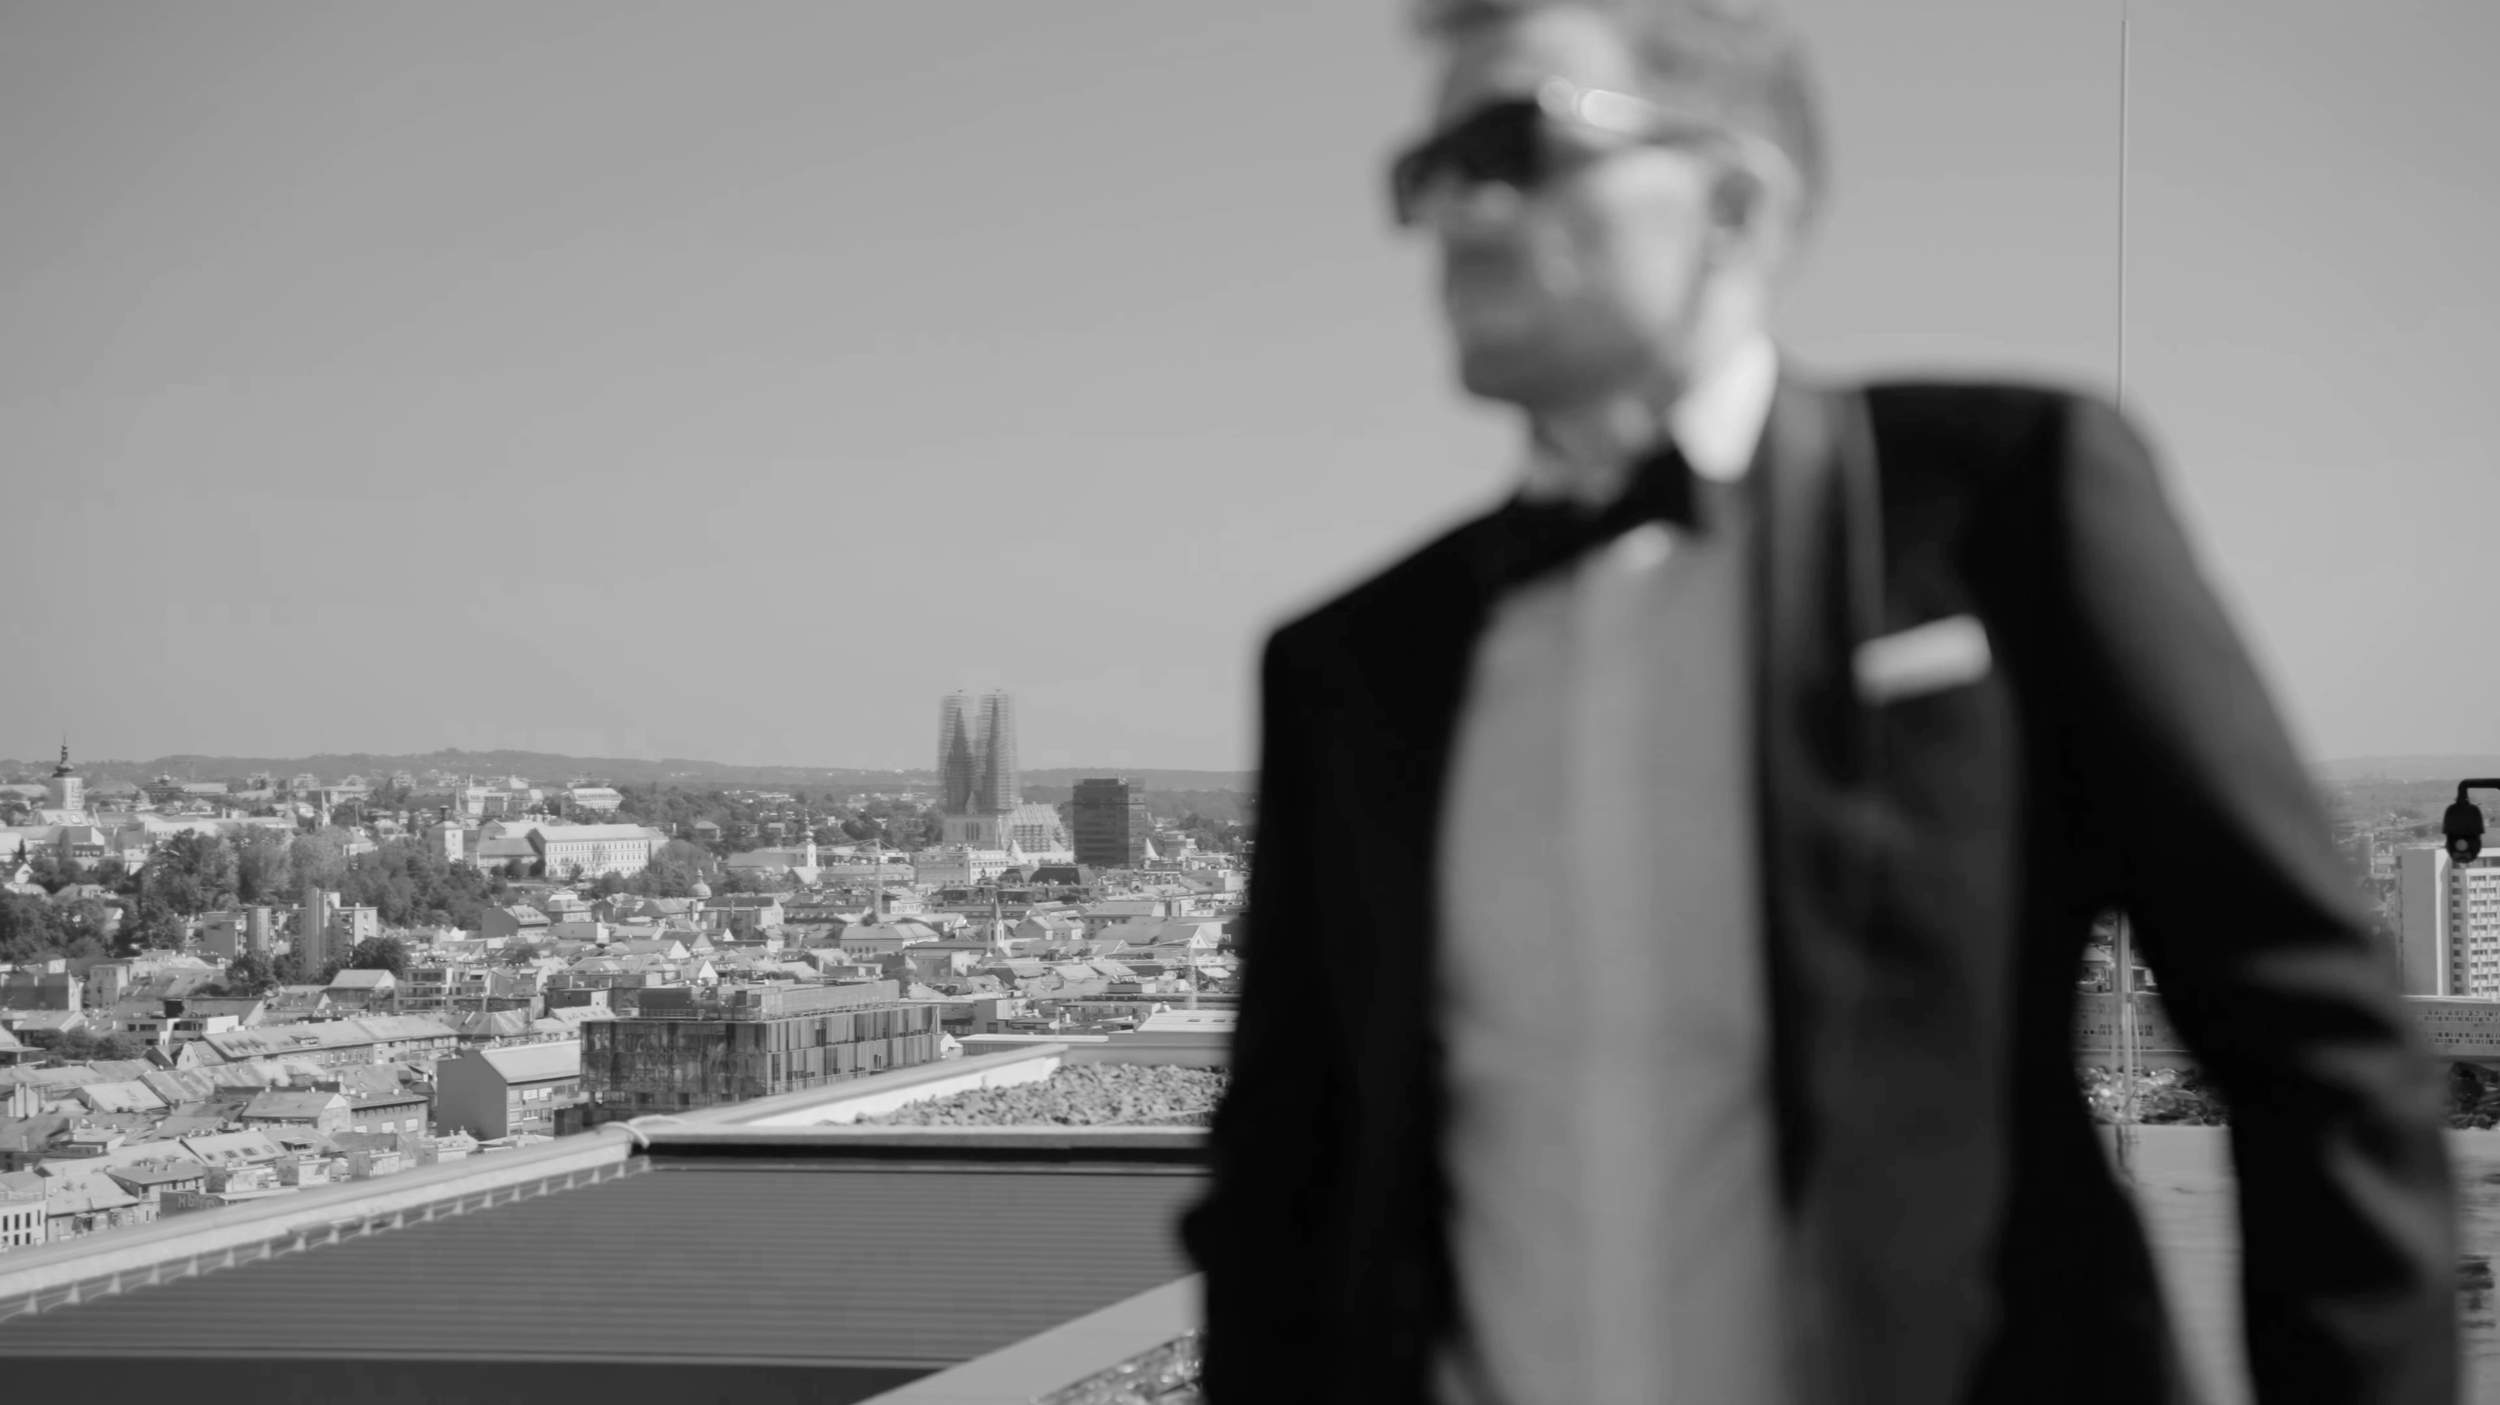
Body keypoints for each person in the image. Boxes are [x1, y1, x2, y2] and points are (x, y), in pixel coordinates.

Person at [1178, 2, 2458, 1403]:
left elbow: (2318, 1051)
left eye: (1513, 147)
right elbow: (1282, 1190)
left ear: (1732, 200)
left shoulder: (2005, 506)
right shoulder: (1348, 669)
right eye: (1425, 173)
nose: (1456, 213)